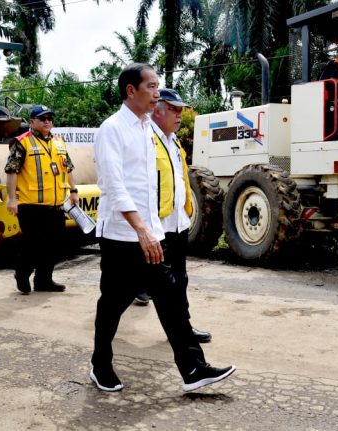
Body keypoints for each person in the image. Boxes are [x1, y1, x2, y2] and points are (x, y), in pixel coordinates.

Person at [90, 63, 235, 393]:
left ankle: (193, 369)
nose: (158, 92)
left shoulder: (144, 128)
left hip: (150, 235)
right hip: (121, 236)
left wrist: (155, 231)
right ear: (131, 91)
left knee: (171, 298)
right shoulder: (112, 129)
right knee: (112, 304)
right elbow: (113, 185)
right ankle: (100, 365)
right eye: (152, 86)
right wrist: (141, 230)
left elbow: (151, 188)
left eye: (158, 86)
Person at [146, 88, 212, 344]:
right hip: (156, 225)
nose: (180, 115)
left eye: (181, 109)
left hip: (176, 222)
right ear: (157, 110)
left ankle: (182, 328)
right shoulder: (146, 140)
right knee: (129, 288)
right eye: (174, 109)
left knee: (179, 279)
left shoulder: (174, 142)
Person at [5, 105, 77, 295]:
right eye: (42, 118)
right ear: (32, 122)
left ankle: (44, 280)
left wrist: (74, 191)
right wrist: (11, 199)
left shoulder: (59, 142)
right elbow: (12, 171)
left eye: (49, 118)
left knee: (54, 245)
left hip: (55, 205)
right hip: (31, 206)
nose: (47, 121)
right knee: (32, 246)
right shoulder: (22, 143)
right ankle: (22, 274)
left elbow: (68, 169)